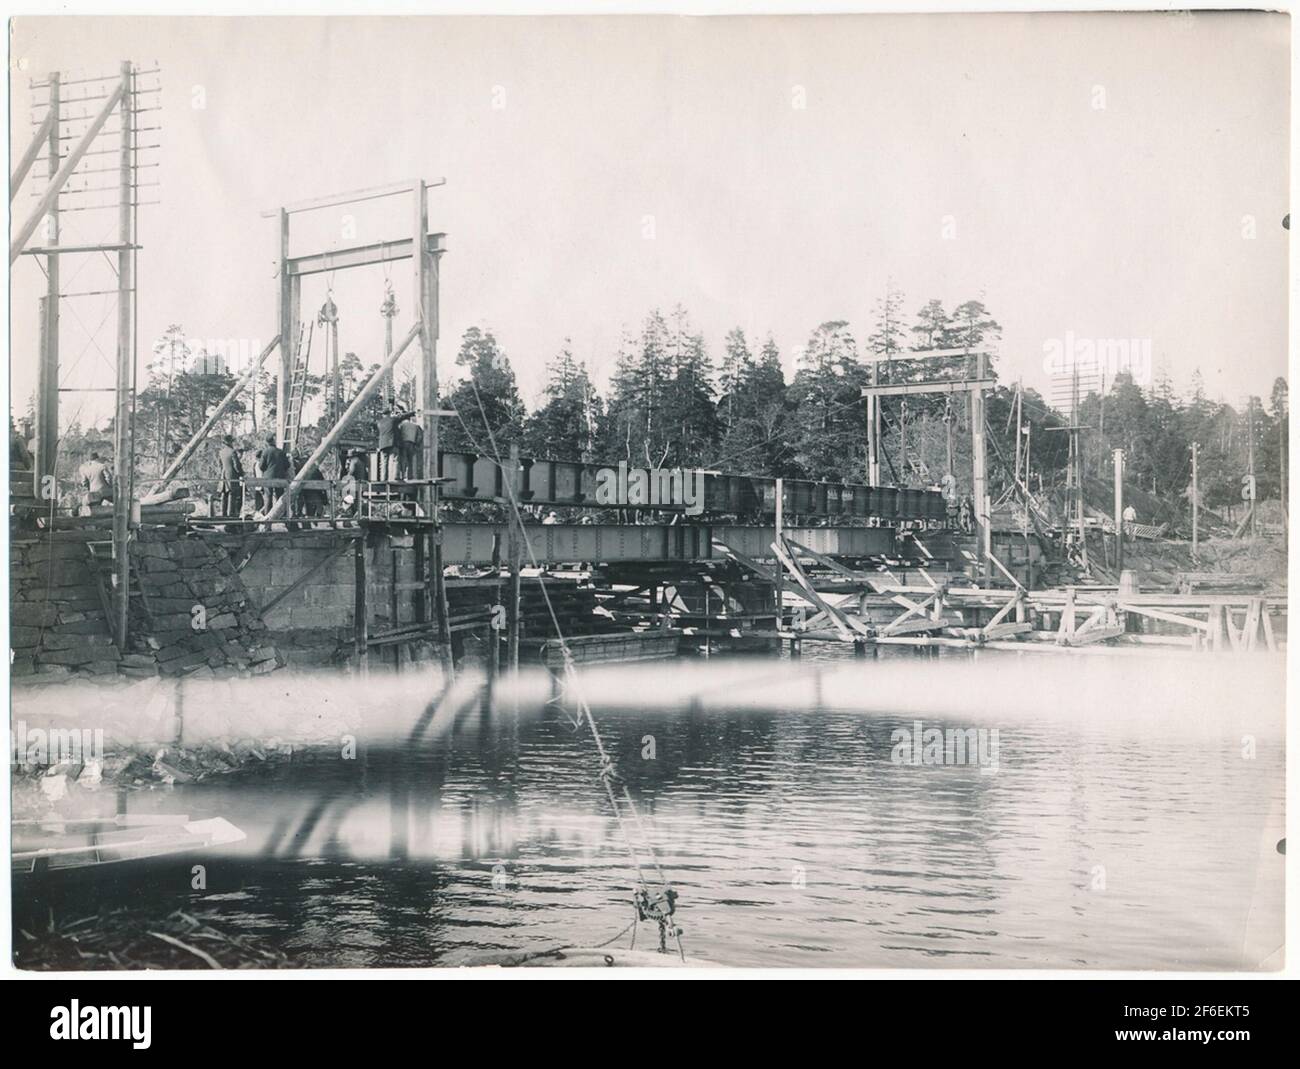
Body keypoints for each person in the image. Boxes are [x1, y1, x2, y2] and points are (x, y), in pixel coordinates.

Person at [257, 434, 293, 519]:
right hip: (280, 477)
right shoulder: (281, 452)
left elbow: (261, 466)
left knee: (268, 497)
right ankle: (281, 516)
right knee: (280, 497)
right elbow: (287, 465)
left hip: (268, 477)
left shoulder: (265, 452)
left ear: (267, 442)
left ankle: (267, 518)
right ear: (273, 441)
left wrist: (268, 469)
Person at [376, 405, 414, 480]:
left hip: (382, 445)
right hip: (392, 443)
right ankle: (396, 477)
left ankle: (384, 478)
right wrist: (413, 412)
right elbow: (403, 416)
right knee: (395, 459)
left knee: (384, 463)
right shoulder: (393, 420)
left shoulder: (379, 423)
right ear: (389, 413)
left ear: (383, 414)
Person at [218, 434, 245, 519]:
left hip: (224, 475)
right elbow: (236, 466)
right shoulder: (232, 452)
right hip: (232, 476)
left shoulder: (221, 452)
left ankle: (224, 515)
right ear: (230, 442)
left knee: (224, 495)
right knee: (232, 495)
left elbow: (220, 465)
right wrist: (241, 473)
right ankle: (231, 516)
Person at [341, 450, 369, 517]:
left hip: (354, 484)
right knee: (357, 501)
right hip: (361, 484)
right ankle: (356, 516)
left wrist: (345, 480)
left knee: (349, 500)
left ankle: (350, 516)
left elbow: (351, 472)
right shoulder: (361, 462)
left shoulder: (354, 461)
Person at [397, 415, 422, 480]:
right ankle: (410, 476)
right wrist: (416, 444)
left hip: (403, 443)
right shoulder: (415, 426)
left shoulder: (401, 425)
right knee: (410, 461)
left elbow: (398, 434)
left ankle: (403, 476)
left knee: (403, 460)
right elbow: (419, 436)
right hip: (412, 443)